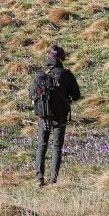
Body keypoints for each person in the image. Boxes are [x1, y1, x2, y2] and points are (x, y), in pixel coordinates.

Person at [32, 45, 80, 187]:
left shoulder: (42, 76)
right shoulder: (66, 74)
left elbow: (32, 95)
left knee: (42, 146)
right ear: (62, 58)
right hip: (60, 116)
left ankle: (39, 179)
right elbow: (76, 96)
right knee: (57, 147)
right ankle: (53, 180)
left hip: (43, 116)